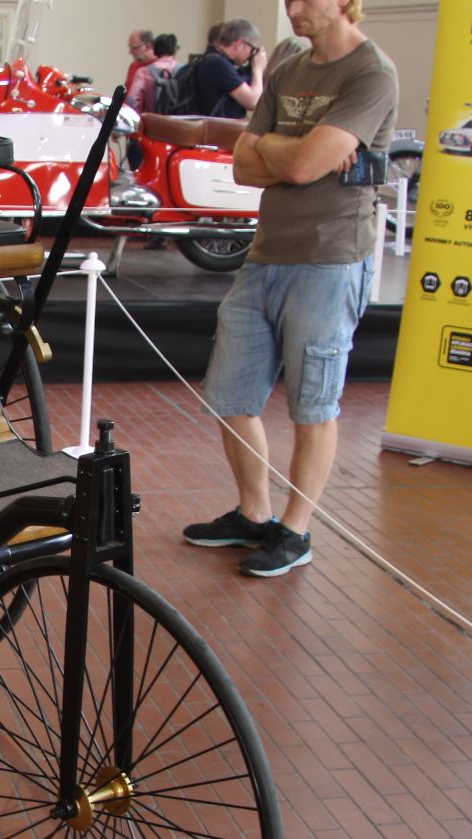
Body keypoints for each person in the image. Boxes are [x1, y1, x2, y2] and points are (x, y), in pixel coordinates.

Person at [181, 0, 396, 577]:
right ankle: (254, 514)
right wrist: (290, 149)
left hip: (330, 259)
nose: (294, 9)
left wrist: (279, 148)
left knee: (313, 406)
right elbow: (244, 165)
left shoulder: (370, 73)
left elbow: (297, 165)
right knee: (230, 395)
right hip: (266, 255)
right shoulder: (289, 68)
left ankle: (295, 531)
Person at [191, 19, 268, 119]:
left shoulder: (211, 60)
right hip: (215, 131)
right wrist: (258, 69)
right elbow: (253, 102)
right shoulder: (218, 64)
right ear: (239, 45)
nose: (252, 54)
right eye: (252, 49)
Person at [127, 33, 179, 114]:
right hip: (177, 122)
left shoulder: (144, 72)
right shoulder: (183, 70)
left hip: (153, 121)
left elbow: (132, 101)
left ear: (155, 50)